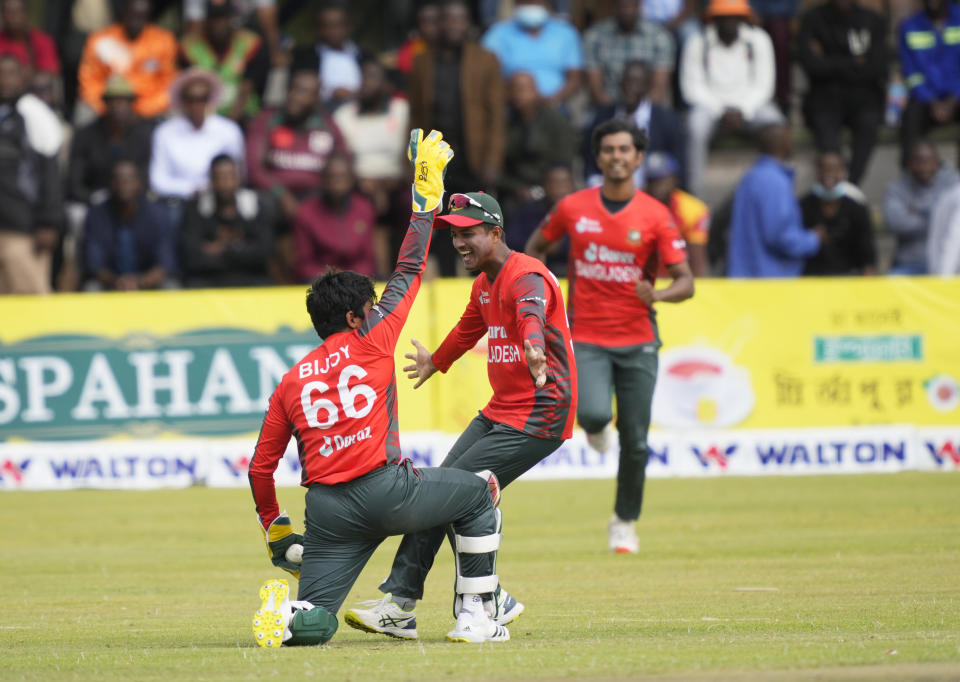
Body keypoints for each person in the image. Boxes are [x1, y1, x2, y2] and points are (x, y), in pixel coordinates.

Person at [249, 129, 511, 646]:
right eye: (368, 309)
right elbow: (410, 265)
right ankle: (477, 615)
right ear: (354, 316)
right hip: (384, 490)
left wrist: (276, 530)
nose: (375, 311)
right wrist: (424, 204)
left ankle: (288, 617)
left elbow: (260, 466)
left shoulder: (289, 381)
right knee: (480, 492)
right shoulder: (373, 336)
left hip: (326, 512)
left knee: (320, 623)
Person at [344, 187, 577, 639]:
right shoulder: (484, 284)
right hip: (501, 410)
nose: (459, 243)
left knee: (455, 494)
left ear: (496, 231)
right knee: (431, 493)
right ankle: (404, 605)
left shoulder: (526, 274)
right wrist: (437, 361)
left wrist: (532, 343)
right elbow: (468, 330)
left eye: (468, 233)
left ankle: (479, 607)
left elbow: (531, 310)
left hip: (540, 412)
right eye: (453, 235)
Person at [525, 119, 694, 554]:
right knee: (594, 414)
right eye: (608, 150)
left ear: (638, 158)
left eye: (625, 150)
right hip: (585, 336)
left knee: (636, 441)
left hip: (639, 340)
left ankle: (624, 521)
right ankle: (598, 429)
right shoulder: (572, 208)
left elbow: (686, 282)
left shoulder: (657, 216)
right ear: (598, 158)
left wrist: (655, 293)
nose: (616, 156)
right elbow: (534, 250)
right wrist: (544, 292)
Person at [408, 0, 505, 275]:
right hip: (437, 158)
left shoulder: (485, 59)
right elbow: (415, 115)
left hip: (472, 157)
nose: (452, 25)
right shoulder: (422, 61)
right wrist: (415, 162)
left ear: (468, 24)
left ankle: (484, 281)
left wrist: (492, 160)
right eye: (446, 19)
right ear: (437, 24)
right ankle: (450, 279)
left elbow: (496, 115)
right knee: (441, 224)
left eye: (458, 19)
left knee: (476, 223)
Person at [679, 0, 782, 199]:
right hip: (710, 109)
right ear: (713, 19)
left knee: (776, 125)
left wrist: (742, 110)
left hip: (750, 108)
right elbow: (691, 88)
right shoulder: (697, 42)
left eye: (734, 18)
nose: (729, 23)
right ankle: (695, 195)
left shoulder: (759, 40)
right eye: (723, 18)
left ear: (744, 19)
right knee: (694, 125)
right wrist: (721, 111)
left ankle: (776, 190)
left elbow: (764, 86)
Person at [333, 57, 410, 276]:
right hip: (359, 184)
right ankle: (372, 274)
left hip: (396, 182)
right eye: (363, 77)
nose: (366, 83)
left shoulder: (402, 110)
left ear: (387, 85)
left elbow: (411, 153)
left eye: (372, 78)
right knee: (362, 207)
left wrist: (393, 182)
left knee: (410, 203)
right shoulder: (344, 116)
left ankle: (408, 269)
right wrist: (359, 182)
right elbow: (342, 158)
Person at [797, 0, 887, 186]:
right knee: (828, 145)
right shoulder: (813, 18)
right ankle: (832, 186)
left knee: (868, 128)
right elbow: (811, 65)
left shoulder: (871, 20)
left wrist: (829, 61)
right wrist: (853, 63)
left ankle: (850, 187)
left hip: (864, 96)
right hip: (825, 97)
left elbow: (876, 67)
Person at [149, 69, 245, 229]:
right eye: (191, 99)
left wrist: (213, 189)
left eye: (202, 98)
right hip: (178, 202)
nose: (197, 105)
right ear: (182, 100)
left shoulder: (229, 130)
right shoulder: (164, 132)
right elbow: (158, 180)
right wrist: (192, 190)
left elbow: (239, 173)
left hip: (219, 201)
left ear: (210, 99)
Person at [0, 55, 63, 295]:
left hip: (22, 229)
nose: (4, 80)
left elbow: (50, 172)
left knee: (30, 301)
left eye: (10, 73)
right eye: (0, 73)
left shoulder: (33, 113)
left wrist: (48, 222)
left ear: (22, 77)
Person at [726, 124, 822, 277]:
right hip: (770, 281)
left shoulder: (752, 176)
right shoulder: (774, 181)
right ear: (783, 143)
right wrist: (813, 239)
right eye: (789, 139)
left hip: (748, 278)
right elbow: (778, 235)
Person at [584, 60, 686, 188]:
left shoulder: (666, 120)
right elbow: (590, 162)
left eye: (636, 82)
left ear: (647, 86)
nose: (630, 87)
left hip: (653, 194)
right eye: (626, 81)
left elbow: (679, 165)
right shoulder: (603, 117)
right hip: (610, 192)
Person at [179, 154, 274, 287]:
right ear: (211, 180)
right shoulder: (196, 208)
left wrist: (225, 249)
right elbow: (192, 257)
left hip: (249, 279)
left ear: (238, 178)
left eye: (230, 176)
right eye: (219, 177)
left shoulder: (256, 205)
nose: (225, 183)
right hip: (210, 280)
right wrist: (244, 247)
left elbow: (264, 253)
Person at [82, 158, 176, 291]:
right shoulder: (96, 215)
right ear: (110, 183)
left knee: (171, 288)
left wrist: (141, 282)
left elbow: (166, 262)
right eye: (118, 179)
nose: (123, 184)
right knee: (91, 289)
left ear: (139, 183)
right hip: (111, 283)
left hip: (147, 283)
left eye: (129, 179)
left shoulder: (157, 215)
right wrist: (118, 282)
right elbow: (93, 264)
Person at [77, 0, 179, 121]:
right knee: (84, 110)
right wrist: (109, 107)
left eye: (141, 16)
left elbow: (169, 84)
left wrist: (140, 109)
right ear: (124, 14)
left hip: (149, 107)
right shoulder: (100, 40)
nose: (136, 21)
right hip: (109, 104)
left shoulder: (163, 41)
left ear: (148, 17)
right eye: (132, 15)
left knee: (176, 112)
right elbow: (89, 82)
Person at [179, 0, 270, 123]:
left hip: (241, 114)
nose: (218, 24)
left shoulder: (251, 43)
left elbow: (246, 89)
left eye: (223, 18)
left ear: (232, 19)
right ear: (206, 20)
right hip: (203, 116)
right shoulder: (190, 46)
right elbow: (189, 90)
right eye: (214, 19)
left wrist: (228, 126)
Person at [68, 76, 154, 205]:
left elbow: (146, 178)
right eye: (113, 101)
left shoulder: (144, 136)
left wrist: (126, 195)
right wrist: (91, 198)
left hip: (134, 202)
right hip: (94, 200)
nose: (118, 106)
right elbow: (74, 182)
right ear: (105, 103)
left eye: (123, 101)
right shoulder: (85, 135)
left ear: (131, 104)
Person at [292, 154, 378, 281]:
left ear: (351, 179)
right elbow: (304, 263)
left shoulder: (365, 209)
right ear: (323, 180)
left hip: (357, 283)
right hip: (320, 284)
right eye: (332, 177)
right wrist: (334, 279)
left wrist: (351, 278)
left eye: (342, 177)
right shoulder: (305, 212)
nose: (337, 183)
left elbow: (368, 259)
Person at [482, 0, 583, 107]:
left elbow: (575, 79)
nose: (531, 6)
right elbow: (486, 77)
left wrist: (550, 102)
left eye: (536, 2)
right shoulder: (497, 33)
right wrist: (515, 96)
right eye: (526, 3)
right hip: (512, 106)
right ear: (516, 3)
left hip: (558, 106)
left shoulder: (566, 32)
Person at [500, 71, 576, 212]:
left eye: (523, 90)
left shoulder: (555, 121)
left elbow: (564, 161)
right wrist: (516, 188)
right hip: (515, 189)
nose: (518, 95)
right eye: (513, 90)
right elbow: (499, 167)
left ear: (536, 91)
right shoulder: (505, 122)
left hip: (550, 186)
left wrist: (547, 188)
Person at [898, 0, 960, 168]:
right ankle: (910, 183)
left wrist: (953, 100)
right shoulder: (909, 25)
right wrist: (931, 101)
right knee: (909, 119)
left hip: (956, 95)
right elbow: (911, 74)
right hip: (925, 99)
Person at [883, 141, 960, 275]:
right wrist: (937, 217)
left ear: (937, 162)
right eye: (918, 161)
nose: (923, 166)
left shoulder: (953, 183)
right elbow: (896, 223)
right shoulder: (895, 188)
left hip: (947, 261)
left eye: (928, 161)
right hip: (908, 263)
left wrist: (915, 210)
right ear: (908, 164)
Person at [582, 0, 675, 106]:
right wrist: (617, 113)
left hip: (647, 108)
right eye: (623, 6)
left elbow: (659, 88)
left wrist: (638, 113)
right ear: (614, 7)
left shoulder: (660, 37)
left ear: (640, 7)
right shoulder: (595, 37)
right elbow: (596, 88)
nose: (627, 11)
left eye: (632, 6)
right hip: (607, 108)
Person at [800, 152, 876, 276]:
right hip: (813, 278)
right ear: (817, 172)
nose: (829, 174)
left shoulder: (857, 208)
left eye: (835, 169)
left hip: (849, 277)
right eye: (824, 168)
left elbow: (867, 248)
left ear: (843, 172)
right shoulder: (803, 206)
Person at [644, 152, 709, 277]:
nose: (656, 187)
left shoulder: (693, 209)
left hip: (679, 280)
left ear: (673, 179)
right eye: (651, 181)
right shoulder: (636, 206)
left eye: (661, 180)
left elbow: (697, 262)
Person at [291, 1, 363, 109]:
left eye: (337, 25)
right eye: (326, 26)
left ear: (348, 27)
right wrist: (330, 92)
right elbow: (299, 86)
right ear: (317, 29)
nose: (332, 31)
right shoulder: (305, 56)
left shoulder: (364, 57)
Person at [506, 164, 574, 276]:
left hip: (569, 275)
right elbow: (509, 242)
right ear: (544, 185)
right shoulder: (528, 211)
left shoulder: (582, 213)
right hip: (531, 274)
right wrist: (538, 244)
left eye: (563, 183)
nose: (558, 189)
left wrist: (562, 247)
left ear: (572, 185)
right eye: (553, 183)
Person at [0, 0, 61, 77]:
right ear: (2, 15)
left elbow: (52, 74)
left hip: (33, 87)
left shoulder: (42, 41)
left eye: (18, 11)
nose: (13, 16)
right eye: (8, 11)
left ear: (26, 13)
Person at [927, 183, 960, 275]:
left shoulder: (950, 193)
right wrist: (944, 276)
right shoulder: (954, 195)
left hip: (942, 269)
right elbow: (954, 239)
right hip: (949, 273)